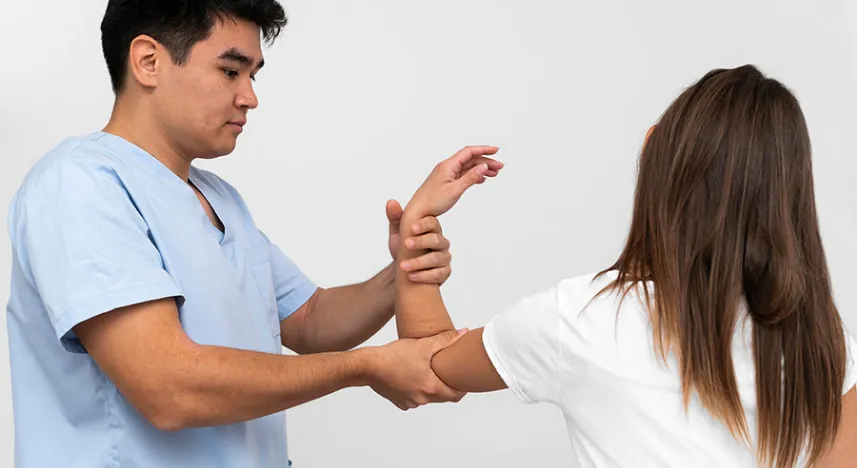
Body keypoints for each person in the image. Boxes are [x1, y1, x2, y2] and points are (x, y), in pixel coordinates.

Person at [5, 1, 503, 467]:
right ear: (148, 61)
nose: (250, 97)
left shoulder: (219, 199)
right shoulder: (80, 185)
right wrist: (364, 367)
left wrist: (401, 269)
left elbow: (309, 320)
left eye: (252, 75)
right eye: (230, 71)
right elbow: (168, 388)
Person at [394, 65, 857, 467]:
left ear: (656, 153)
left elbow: (426, 367)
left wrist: (418, 223)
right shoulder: (823, 340)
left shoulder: (587, 318)